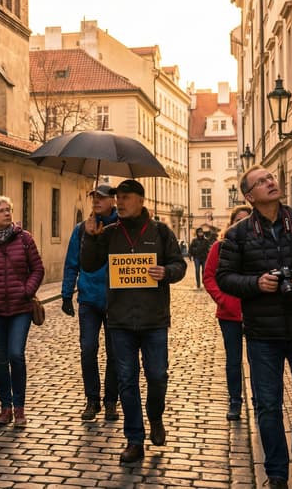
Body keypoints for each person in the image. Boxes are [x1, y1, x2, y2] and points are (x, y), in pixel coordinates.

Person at [216, 166, 292, 489]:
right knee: (267, 404)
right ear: (249, 196)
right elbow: (224, 277)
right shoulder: (238, 234)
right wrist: (257, 283)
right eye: (261, 181)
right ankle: (277, 472)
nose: (270, 182)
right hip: (262, 334)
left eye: (271, 178)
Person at [81, 179, 187, 464]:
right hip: (120, 321)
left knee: (157, 376)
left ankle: (155, 416)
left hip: (154, 320)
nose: (120, 203)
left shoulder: (160, 232)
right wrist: (89, 237)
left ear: (140, 200)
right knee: (127, 381)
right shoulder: (108, 232)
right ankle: (134, 439)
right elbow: (89, 264)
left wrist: (166, 271)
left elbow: (180, 265)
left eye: (126, 198)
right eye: (118, 199)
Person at [0, 196, 45, 428]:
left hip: (20, 308)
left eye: (9, 209)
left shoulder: (25, 239)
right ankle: (4, 407)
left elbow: (37, 268)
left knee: (16, 354)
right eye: (1, 210)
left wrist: (27, 290)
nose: (7, 213)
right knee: (0, 359)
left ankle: (19, 408)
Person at [60, 184, 121, 422]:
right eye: (94, 197)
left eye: (102, 197)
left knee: (114, 353)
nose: (96, 201)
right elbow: (72, 261)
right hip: (89, 299)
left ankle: (111, 402)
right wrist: (66, 293)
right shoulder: (81, 229)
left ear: (113, 201)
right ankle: (92, 399)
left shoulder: (119, 228)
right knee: (88, 349)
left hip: (115, 300)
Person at [202, 205, 252, 421]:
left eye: (246, 220)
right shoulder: (220, 247)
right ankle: (235, 401)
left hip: (256, 312)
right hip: (229, 314)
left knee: (259, 359)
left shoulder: (260, 246)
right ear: (231, 224)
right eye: (237, 221)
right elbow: (209, 277)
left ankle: (261, 400)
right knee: (233, 360)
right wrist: (222, 300)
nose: (242, 225)